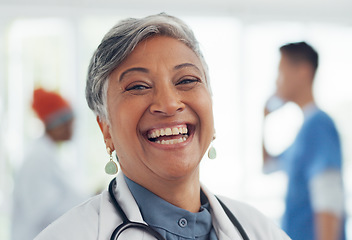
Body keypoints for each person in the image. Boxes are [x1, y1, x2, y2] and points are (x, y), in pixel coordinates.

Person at [35, 13, 290, 240]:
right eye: (138, 86)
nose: (169, 104)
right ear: (106, 129)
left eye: (187, 80)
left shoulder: (261, 231)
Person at [262, 42, 345, 240]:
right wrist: (263, 118)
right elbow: (267, 166)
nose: (277, 81)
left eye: (281, 72)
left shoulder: (319, 126)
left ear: (303, 71)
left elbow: (328, 202)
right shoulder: (304, 132)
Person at [11, 88, 85, 240]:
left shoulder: (48, 156)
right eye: (69, 123)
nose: (73, 128)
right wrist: (88, 203)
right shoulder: (37, 160)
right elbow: (43, 212)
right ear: (56, 125)